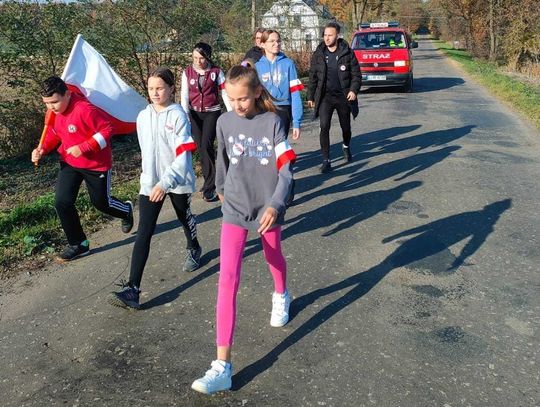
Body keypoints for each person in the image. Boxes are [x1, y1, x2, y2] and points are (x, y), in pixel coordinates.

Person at [191, 65, 295, 395]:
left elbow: (287, 170)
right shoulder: (223, 121)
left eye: (244, 99)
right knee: (228, 278)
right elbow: (221, 158)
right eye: (232, 99)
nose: (237, 105)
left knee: (272, 254)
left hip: (267, 207)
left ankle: (281, 294)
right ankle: (222, 365)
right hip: (235, 206)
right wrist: (220, 186)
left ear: (257, 93)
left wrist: (276, 204)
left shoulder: (274, 122)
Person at [109, 67, 202, 310]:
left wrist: (166, 182)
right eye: (150, 88)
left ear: (171, 88)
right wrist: (152, 181)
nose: (155, 92)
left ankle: (194, 247)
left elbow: (183, 156)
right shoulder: (143, 116)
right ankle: (133, 289)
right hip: (151, 184)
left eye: (159, 87)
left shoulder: (178, 116)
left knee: (184, 216)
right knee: (144, 232)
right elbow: (146, 154)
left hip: (177, 179)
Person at [31, 76, 134, 262]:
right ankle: (79, 244)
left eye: (54, 102)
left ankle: (125, 210)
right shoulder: (53, 113)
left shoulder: (85, 109)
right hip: (69, 162)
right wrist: (42, 149)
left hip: (95, 164)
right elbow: (54, 133)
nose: (51, 107)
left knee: (101, 203)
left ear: (68, 94)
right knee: (62, 202)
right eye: (47, 103)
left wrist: (84, 147)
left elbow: (107, 130)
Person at [255, 29, 303, 204]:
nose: (276, 44)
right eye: (272, 42)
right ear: (263, 44)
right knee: (267, 152)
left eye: (278, 41)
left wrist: (297, 121)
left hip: (283, 110)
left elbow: (295, 94)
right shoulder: (257, 66)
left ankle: (287, 184)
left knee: (281, 150)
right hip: (264, 111)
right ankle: (271, 188)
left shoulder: (288, 64)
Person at [307, 22, 362, 173]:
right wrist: (310, 95)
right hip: (325, 97)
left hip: (344, 97)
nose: (327, 38)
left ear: (337, 35)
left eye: (330, 35)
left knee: (346, 127)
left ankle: (345, 146)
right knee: (324, 126)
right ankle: (326, 160)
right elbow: (312, 76)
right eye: (325, 35)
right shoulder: (318, 53)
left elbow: (356, 75)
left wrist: (353, 90)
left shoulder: (347, 52)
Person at [181, 42, 231, 202]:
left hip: (212, 112)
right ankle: (210, 180)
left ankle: (210, 186)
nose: (198, 61)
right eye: (195, 57)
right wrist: (184, 116)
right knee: (201, 148)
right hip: (194, 114)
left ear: (207, 57)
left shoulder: (216, 72)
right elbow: (184, 96)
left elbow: (224, 93)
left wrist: (231, 112)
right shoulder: (187, 72)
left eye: (201, 58)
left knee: (206, 145)